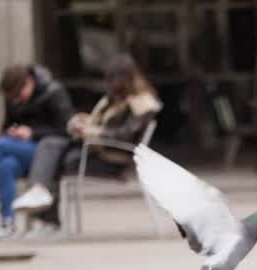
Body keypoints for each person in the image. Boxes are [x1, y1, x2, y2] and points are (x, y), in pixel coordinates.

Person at [12, 55, 162, 239]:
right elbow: (97, 122)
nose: (110, 85)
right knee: (50, 143)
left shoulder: (142, 104)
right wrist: (81, 124)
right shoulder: (112, 100)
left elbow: (125, 135)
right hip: (95, 148)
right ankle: (40, 195)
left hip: (114, 158)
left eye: (113, 80)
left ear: (126, 79)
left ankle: (48, 219)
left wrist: (92, 132)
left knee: (58, 160)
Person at [0, 64, 73, 239]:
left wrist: (32, 133)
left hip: (47, 151)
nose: (16, 101)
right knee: (5, 166)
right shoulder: (12, 100)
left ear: (29, 82)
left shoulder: (53, 93)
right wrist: (12, 132)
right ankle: (7, 222)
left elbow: (64, 130)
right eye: (11, 98)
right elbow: (6, 126)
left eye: (17, 95)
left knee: (1, 146)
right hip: (21, 151)